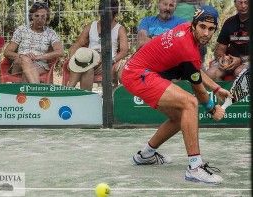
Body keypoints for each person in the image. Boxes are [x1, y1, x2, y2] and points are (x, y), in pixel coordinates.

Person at [120, 5, 231, 184]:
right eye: (203, 27)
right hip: (137, 74)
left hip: (139, 72)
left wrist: (216, 89)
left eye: (211, 29)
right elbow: (199, 90)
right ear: (194, 25)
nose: (206, 33)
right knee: (190, 103)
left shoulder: (186, 31)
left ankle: (146, 155)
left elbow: (195, 69)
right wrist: (213, 109)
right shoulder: (187, 47)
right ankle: (195, 168)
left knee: (181, 117)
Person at [67, 0, 128, 91]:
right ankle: (83, 95)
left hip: (108, 60)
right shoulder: (91, 26)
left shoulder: (119, 29)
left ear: (114, 13)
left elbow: (124, 50)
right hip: (90, 58)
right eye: (103, 11)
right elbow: (78, 44)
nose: (105, 15)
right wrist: (72, 57)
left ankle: (71, 89)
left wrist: (110, 61)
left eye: (108, 13)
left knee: (87, 68)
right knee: (86, 66)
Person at [3, 2, 63, 83]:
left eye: (43, 17)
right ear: (32, 16)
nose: (40, 19)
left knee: (26, 74)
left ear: (47, 18)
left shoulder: (50, 33)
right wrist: (22, 56)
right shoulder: (21, 30)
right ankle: (37, 93)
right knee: (25, 60)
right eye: (37, 16)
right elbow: (7, 52)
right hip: (18, 63)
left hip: (40, 65)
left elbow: (60, 51)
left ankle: (24, 94)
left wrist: (38, 57)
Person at [206, 0, 249, 81]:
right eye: (240, 2)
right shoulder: (229, 22)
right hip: (231, 60)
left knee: (240, 72)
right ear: (235, 3)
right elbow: (220, 49)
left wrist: (240, 60)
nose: (243, 6)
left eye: (246, 2)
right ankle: (220, 92)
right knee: (210, 73)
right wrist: (222, 58)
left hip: (247, 61)